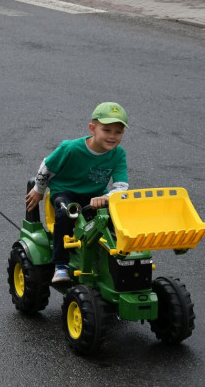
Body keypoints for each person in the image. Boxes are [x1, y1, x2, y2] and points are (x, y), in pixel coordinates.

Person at [24, 102, 129, 285]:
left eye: (118, 132)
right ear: (92, 128)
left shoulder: (118, 154)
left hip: (95, 196)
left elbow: (121, 187)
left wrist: (106, 198)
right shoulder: (71, 148)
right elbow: (47, 166)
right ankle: (61, 266)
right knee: (66, 213)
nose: (112, 136)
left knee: (116, 216)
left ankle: (113, 260)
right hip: (65, 192)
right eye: (107, 130)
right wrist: (38, 190)